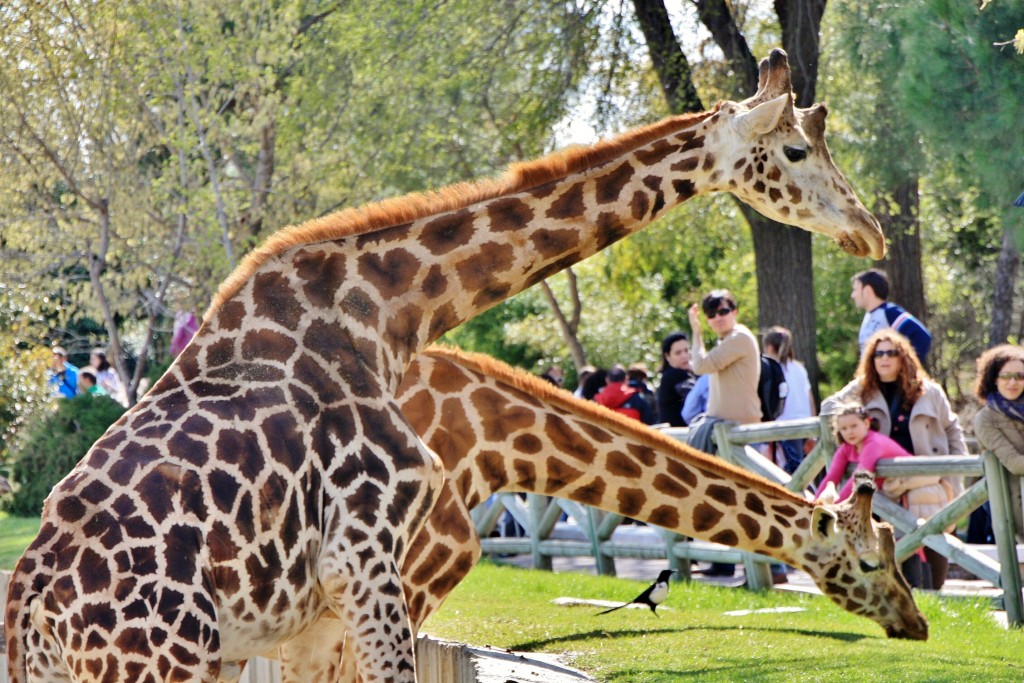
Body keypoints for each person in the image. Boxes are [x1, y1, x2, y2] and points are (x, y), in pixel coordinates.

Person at [822, 329, 965, 590]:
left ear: (903, 357)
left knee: (932, 530)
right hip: (882, 482)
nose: (884, 358)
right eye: (878, 354)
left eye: (891, 352)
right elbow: (829, 407)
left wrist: (955, 475)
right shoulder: (861, 389)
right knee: (885, 541)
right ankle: (896, 596)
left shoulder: (929, 391)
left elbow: (952, 430)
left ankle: (934, 597)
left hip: (926, 476)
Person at [687, 289, 760, 579]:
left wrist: (695, 332)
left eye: (723, 311)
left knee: (746, 500)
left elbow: (699, 365)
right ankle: (725, 561)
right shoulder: (727, 340)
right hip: (724, 432)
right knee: (725, 498)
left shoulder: (739, 338)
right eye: (712, 314)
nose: (718, 317)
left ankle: (769, 566)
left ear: (735, 311)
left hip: (739, 433)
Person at [972, 344, 1024, 542]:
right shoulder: (986, 419)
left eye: (1020, 376)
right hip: (1012, 507)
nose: (1013, 382)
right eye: (1006, 376)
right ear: (994, 378)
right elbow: (1015, 463)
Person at [815, 403, 910, 502]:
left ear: (866, 424)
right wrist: (815, 504)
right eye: (844, 428)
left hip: (911, 482)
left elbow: (859, 477)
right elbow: (832, 476)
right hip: (889, 491)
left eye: (854, 426)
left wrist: (838, 506)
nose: (849, 432)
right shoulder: (846, 448)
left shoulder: (873, 443)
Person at [763, 326, 815, 474]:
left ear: (769, 347)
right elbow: (809, 399)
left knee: (790, 474)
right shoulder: (799, 368)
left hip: (785, 429)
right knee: (803, 472)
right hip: (805, 426)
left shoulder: (770, 369)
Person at [851, 269, 931, 363]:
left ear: (867, 290)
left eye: (856, 290)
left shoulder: (889, 312)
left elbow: (923, 337)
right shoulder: (869, 315)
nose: (853, 295)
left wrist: (907, 367)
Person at [656, 332, 696, 427]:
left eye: (686, 350)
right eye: (678, 353)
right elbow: (698, 399)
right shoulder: (675, 375)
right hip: (679, 434)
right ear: (667, 357)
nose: (684, 356)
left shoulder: (669, 374)